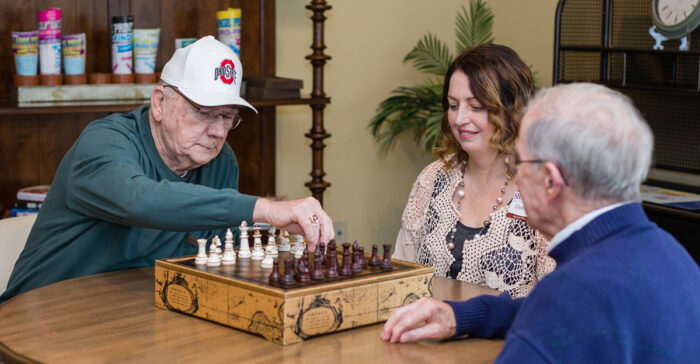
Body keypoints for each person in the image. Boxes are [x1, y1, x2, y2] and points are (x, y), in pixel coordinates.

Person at [381, 83, 700, 362]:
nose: (515, 174)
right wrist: (459, 315)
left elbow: (560, 312)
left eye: (519, 161)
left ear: (551, 180)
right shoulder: (674, 256)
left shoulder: (571, 293)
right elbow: (556, 313)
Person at [1, 36, 333, 304]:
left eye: (227, 116)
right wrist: (264, 209)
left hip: (134, 324)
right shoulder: (104, 142)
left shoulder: (221, 161)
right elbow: (139, 200)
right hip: (37, 320)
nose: (218, 131)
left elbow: (213, 266)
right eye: (204, 112)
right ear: (160, 102)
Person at [393, 44, 554, 298]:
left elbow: (558, 299)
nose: (459, 119)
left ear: (511, 110)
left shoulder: (544, 189)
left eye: (476, 106)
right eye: (453, 105)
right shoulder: (433, 178)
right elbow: (400, 277)